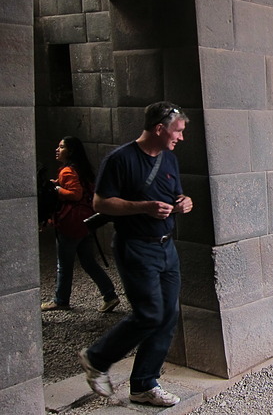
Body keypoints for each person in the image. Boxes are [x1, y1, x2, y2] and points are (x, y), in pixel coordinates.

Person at [78, 102, 193, 407]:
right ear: (159, 129)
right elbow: (100, 203)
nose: (180, 138)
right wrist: (143, 207)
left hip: (166, 247)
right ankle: (96, 357)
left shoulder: (168, 159)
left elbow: (176, 193)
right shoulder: (120, 159)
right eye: (177, 131)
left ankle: (143, 385)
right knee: (150, 314)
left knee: (168, 316)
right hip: (136, 247)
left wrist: (184, 201)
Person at [41, 136, 120, 313]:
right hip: (86, 223)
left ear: (71, 151)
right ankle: (110, 295)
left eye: (61, 147)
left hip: (70, 224)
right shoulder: (82, 170)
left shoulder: (67, 171)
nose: (57, 149)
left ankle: (61, 300)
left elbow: (75, 194)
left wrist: (56, 189)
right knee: (89, 261)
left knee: (64, 264)